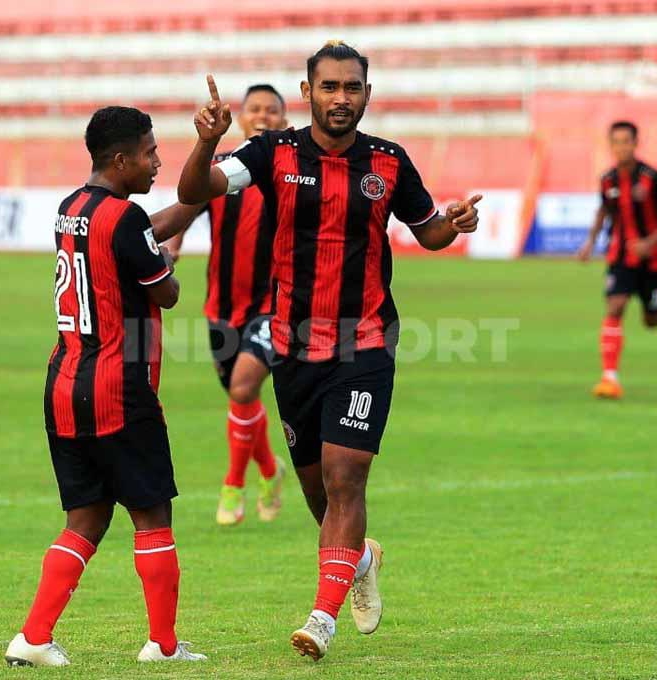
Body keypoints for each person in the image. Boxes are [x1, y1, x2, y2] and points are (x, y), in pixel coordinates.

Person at [177, 42, 482, 660]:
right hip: (292, 348)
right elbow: (196, 188)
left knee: (347, 477)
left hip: (366, 341)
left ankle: (321, 618)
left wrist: (455, 222)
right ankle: (362, 555)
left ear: (367, 94)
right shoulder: (272, 151)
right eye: (329, 87)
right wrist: (207, 142)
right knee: (320, 495)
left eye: (351, 88)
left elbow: (427, 231)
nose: (340, 98)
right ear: (307, 91)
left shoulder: (390, 163)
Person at [5, 106, 206, 667]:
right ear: (120, 160)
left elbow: (133, 240)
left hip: (65, 382)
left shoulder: (73, 207)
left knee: (87, 518)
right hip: (118, 385)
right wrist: (166, 262)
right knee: (152, 515)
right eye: (149, 152)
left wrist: (198, 199)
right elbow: (166, 292)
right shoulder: (126, 217)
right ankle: (163, 646)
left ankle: (34, 638)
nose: (156, 161)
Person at [166, 84, 291, 527]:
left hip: (272, 305)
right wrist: (172, 250)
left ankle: (233, 484)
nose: (263, 116)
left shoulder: (292, 169)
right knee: (244, 401)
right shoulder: (223, 170)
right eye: (255, 109)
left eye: (272, 110)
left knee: (243, 388)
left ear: (284, 117)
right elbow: (187, 208)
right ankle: (271, 472)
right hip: (221, 306)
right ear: (242, 118)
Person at [577, 120, 657, 400]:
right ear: (610, 145)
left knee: (651, 321)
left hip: (653, 259)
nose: (621, 147)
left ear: (636, 143)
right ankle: (609, 379)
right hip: (620, 256)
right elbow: (604, 210)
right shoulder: (607, 180)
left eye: (626, 141)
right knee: (615, 306)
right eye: (615, 142)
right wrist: (590, 241)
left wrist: (650, 242)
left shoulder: (654, 178)